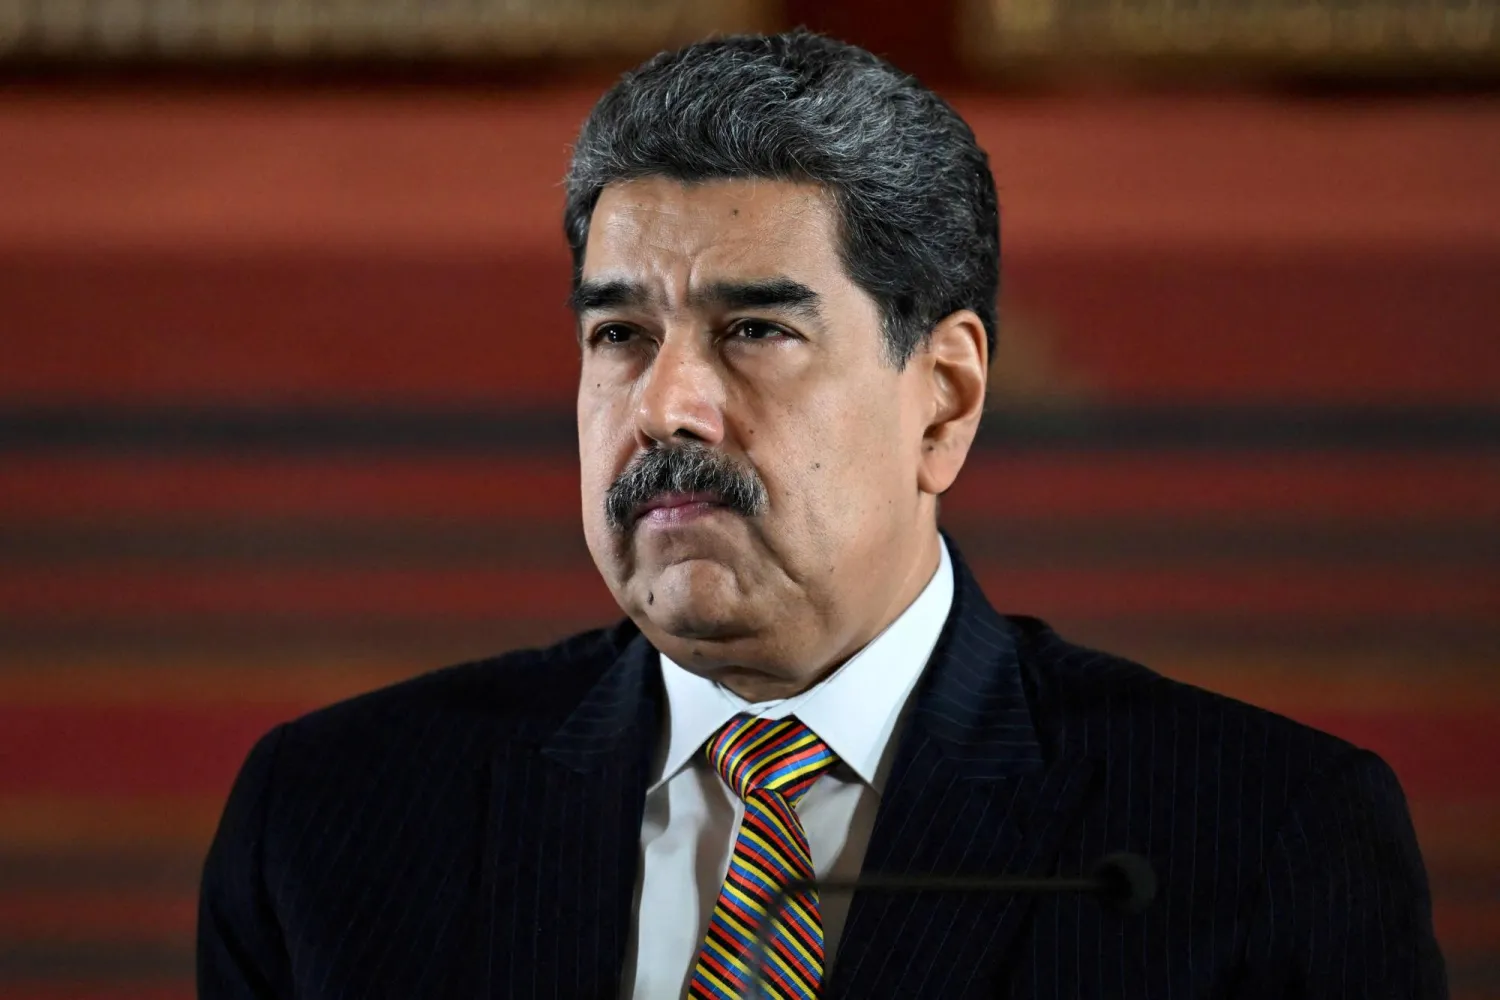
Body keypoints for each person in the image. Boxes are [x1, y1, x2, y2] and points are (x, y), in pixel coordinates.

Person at [197, 30, 1446, 1000]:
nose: (667, 406)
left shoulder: (1260, 835)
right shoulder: (334, 817)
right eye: (620, 334)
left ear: (944, 401)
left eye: (755, 330)